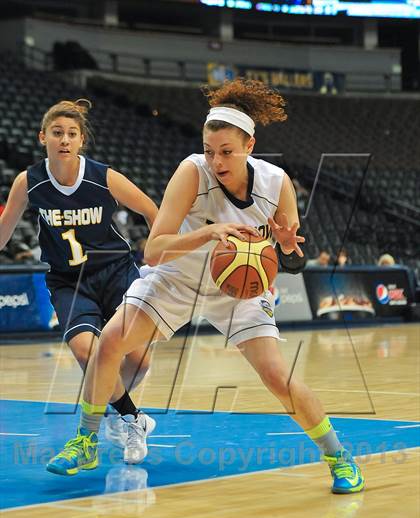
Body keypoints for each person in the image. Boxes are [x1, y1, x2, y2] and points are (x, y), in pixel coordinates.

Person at [47, 80, 364, 494]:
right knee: (109, 343)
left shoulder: (277, 183)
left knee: (276, 377)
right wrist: (207, 235)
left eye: (227, 152)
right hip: (179, 276)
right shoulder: (191, 171)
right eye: (210, 150)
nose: (216, 160)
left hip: (240, 291)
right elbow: (155, 251)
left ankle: (339, 457)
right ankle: (86, 440)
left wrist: (287, 249)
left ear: (250, 144)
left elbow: (293, 263)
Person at [0, 99, 158, 456]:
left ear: (81, 140)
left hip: (116, 272)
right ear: (44, 137)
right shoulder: (29, 181)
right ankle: (132, 418)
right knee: (90, 353)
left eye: (72, 134)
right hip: (69, 281)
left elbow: (151, 210)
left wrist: (158, 253)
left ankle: (115, 414)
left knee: (140, 361)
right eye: (57, 133)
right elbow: (3, 233)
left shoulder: (103, 176)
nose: (65, 140)